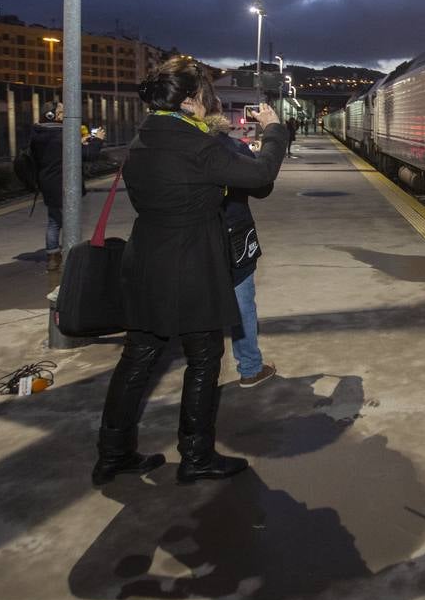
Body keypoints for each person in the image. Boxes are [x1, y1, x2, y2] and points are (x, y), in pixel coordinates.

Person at [92, 57, 287, 487]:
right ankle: (196, 456)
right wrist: (274, 130)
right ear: (193, 99)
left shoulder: (145, 136)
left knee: (138, 358)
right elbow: (260, 174)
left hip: (145, 260)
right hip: (191, 263)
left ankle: (113, 454)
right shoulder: (194, 143)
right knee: (204, 359)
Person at [205, 110, 276, 389]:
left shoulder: (157, 141)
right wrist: (271, 131)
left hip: (184, 239)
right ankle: (249, 368)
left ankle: (201, 372)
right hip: (232, 235)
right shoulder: (226, 145)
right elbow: (262, 185)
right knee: (242, 303)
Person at [30, 101, 106, 271]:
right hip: (65, 183)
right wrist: (97, 141)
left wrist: (78, 141)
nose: (67, 114)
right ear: (53, 115)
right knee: (71, 220)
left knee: (53, 221)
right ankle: (73, 258)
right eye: (63, 111)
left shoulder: (39, 133)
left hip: (47, 183)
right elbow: (89, 155)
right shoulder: (64, 135)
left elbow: (56, 151)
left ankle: (52, 257)